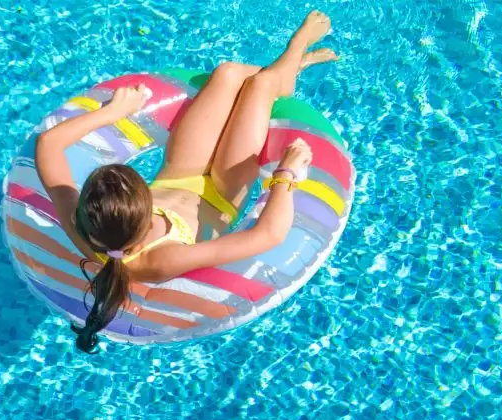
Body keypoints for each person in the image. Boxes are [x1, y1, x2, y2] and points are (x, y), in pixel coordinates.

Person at [34, 11, 338, 353]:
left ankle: (286, 73)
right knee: (261, 85)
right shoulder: (160, 260)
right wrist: (285, 175)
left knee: (227, 73)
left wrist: (112, 113)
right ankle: (294, 56)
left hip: (179, 172)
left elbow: (47, 144)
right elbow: (268, 235)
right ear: (146, 212)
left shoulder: (82, 226)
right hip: (223, 192)